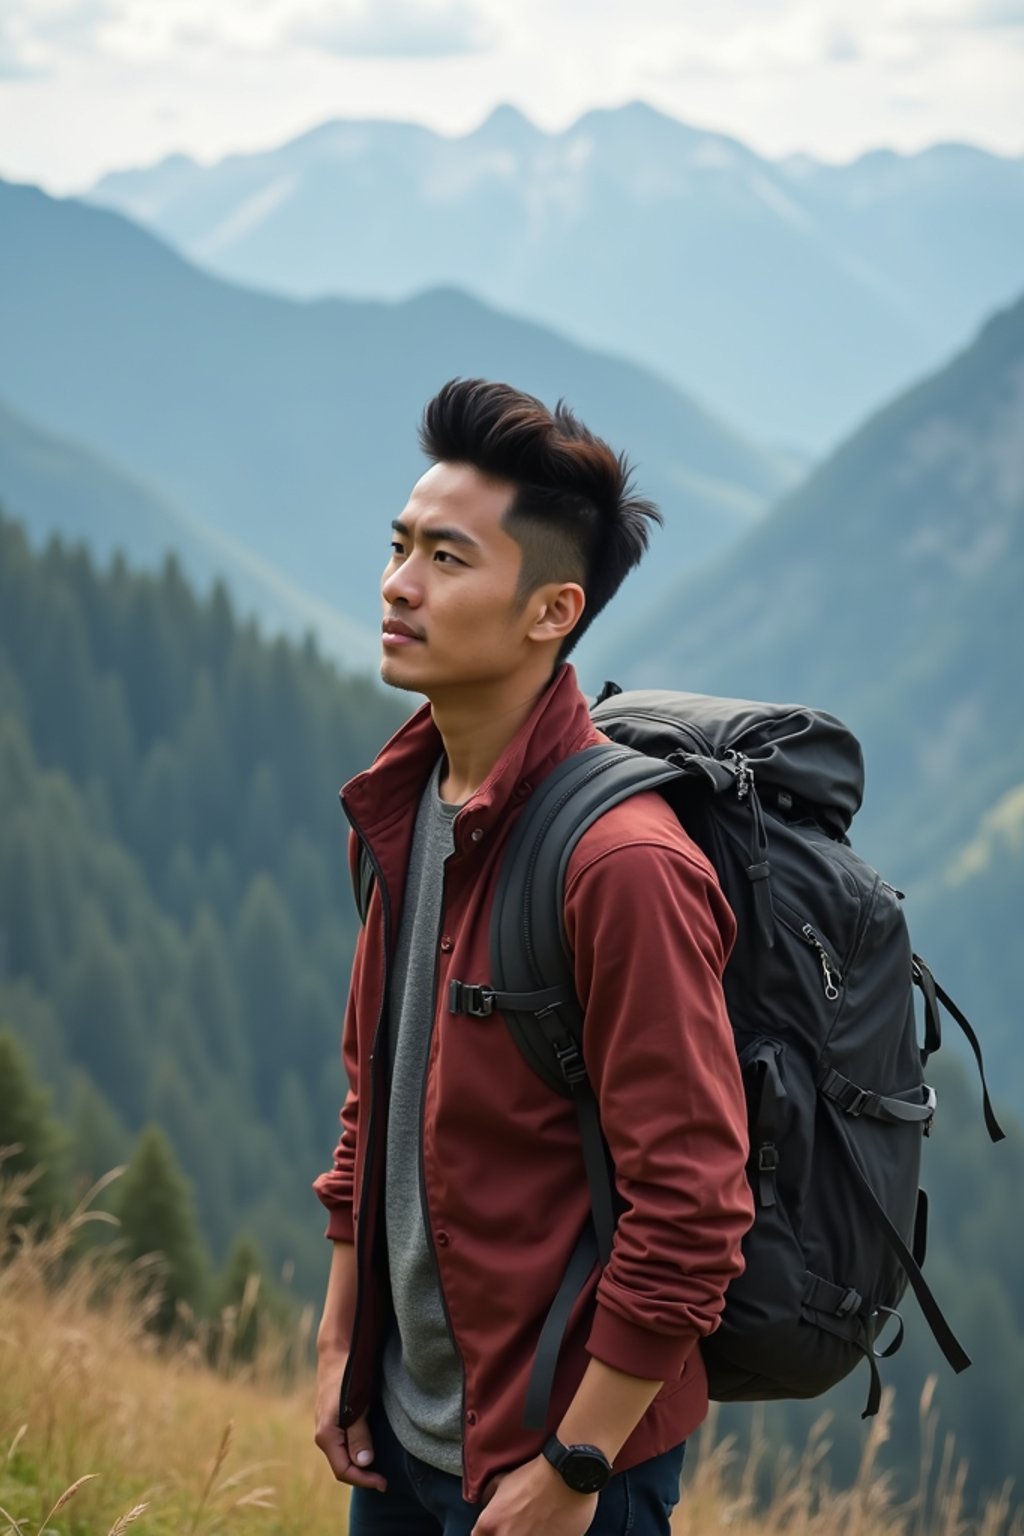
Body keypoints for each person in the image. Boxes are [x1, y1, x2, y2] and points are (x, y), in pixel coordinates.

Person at [313, 378, 754, 1536]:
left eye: (447, 560)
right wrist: (338, 1346)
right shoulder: (411, 802)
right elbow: (379, 1107)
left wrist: (576, 1464)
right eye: (400, 545)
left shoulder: (621, 866)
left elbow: (694, 1207)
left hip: (554, 1462)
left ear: (552, 610)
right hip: (403, 1437)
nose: (397, 583)